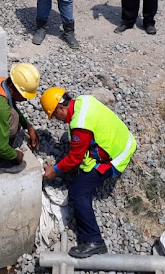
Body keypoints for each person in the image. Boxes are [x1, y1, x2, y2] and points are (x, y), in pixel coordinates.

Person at [40, 87, 136, 258]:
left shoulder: (80, 124)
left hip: (115, 158)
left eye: (55, 115)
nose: (58, 120)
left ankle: (94, 241)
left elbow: (75, 158)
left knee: (78, 192)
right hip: (123, 141)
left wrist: (55, 171)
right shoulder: (83, 101)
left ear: (61, 108)